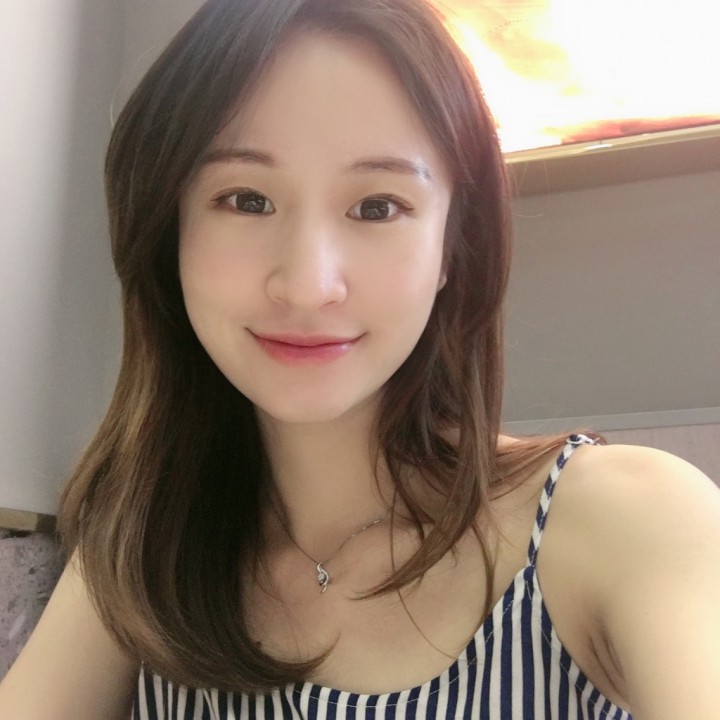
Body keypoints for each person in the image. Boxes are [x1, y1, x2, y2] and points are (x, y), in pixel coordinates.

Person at [1, 0, 719, 717]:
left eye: (377, 207)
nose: (308, 285)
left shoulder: (627, 522)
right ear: (170, 231)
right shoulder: (144, 546)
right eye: (246, 200)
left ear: (452, 246)